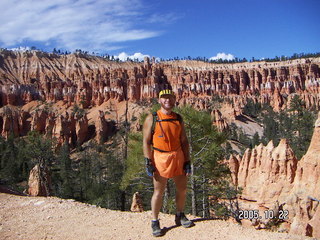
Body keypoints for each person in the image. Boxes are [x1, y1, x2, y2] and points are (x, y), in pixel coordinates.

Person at [143, 89, 193, 237]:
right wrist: (148, 161)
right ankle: (154, 221)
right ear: (159, 100)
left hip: (177, 155)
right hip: (159, 157)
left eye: (170, 98)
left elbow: (184, 141)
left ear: (174, 99)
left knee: (182, 189)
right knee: (158, 192)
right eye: (164, 98)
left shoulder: (178, 118)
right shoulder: (152, 118)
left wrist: (187, 160)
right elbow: (145, 143)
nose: (168, 101)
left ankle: (180, 214)